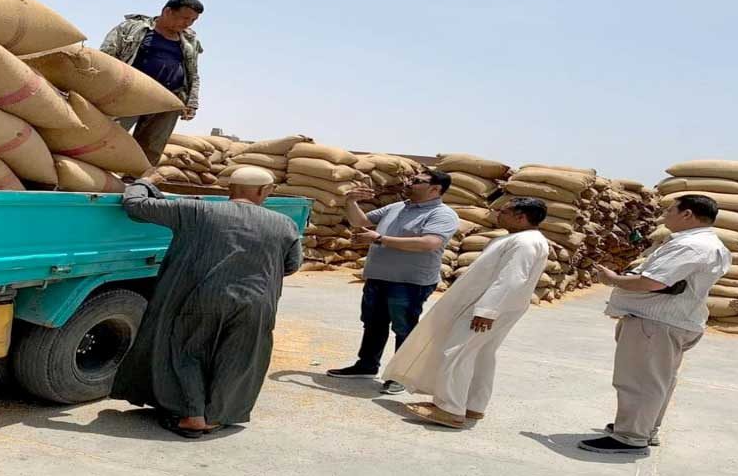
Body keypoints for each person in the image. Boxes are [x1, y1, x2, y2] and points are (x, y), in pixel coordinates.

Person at [110, 166, 303, 438]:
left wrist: (146, 181)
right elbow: (291, 265)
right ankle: (215, 416)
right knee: (236, 358)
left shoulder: (197, 211)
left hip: (202, 295)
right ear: (263, 191)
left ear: (229, 189)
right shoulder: (285, 224)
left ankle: (192, 416)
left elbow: (136, 205)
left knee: (188, 351)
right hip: (256, 302)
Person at [579, 194, 729, 455]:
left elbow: (653, 282)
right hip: (674, 321)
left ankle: (630, 437)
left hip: (656, 323)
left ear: (687, 215)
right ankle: (645, 429)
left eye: (670, 210)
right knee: (659, 380)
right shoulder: (711, 244)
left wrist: (614, 279)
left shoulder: (690, 246)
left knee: (640, 380)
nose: (664, 216)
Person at [382, 197, 550, 428]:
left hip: (486, 309)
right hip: (493, 307)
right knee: (480, 355)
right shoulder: (523, 239)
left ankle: (449, 409)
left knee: (456, 352)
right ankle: (473, 405)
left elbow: (512, 279)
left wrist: (487, 310)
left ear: (520, 217)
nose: (498, 215)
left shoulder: (525, 242)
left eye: (503, 211)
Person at [327, 169, 459, 395]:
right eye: (411, 179)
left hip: (409, 282)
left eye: (417, 181)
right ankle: (366, 365)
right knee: (373, 323)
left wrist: (380, 239)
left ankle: (402, 376)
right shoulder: (398, 207)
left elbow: (429, 243)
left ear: (435, 189)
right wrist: (350, 201)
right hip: (378, 277)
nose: (409, 183)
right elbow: (360, 221)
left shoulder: (442, 214)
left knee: (404, 328)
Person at [100, 0, 204, 166]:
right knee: (112, 137)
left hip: (169, 99)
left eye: (193, 20)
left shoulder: (189, 41)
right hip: (131, 92)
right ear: (167, 11)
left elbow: (193, 72)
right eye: (185, 18)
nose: (188, 24)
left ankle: (137, 181)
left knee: (152, 146)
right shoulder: (133, 28)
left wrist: (191, 101)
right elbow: (106, 55)